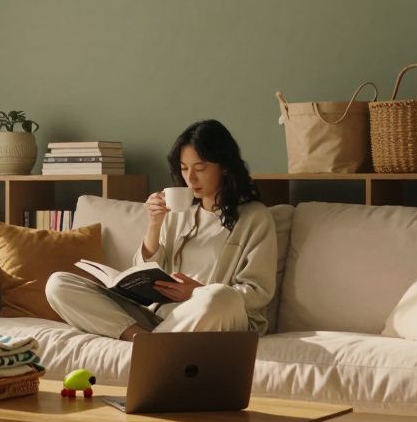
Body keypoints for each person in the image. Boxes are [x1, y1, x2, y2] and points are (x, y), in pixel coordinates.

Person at [45, 119, 277, 340]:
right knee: (58, 283)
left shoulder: (254, 217)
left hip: (218, 315)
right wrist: (155, 224)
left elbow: (258, 292)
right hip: (160, 316)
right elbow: (146, 273)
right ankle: (142, 339)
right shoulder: (178, 213)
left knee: (220, 296)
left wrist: (196, 292)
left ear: (224, 167)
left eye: (200, 167)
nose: (190, 178)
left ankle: (158, 343)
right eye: (184, 168)